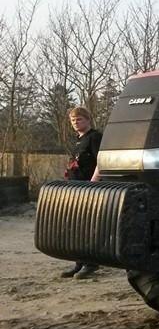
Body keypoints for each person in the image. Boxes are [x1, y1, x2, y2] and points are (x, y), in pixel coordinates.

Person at [60, 106, 103, 280]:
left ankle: (91, 263)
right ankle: (79, 263)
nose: (76, 123)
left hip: (90, 187)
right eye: (73, 120)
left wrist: (94, 181)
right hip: (75, 187)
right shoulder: (77, 140)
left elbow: (101, 161)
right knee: (76, 227)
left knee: (87, 226)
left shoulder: (95, 137)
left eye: (79, 119)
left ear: (87, 120)